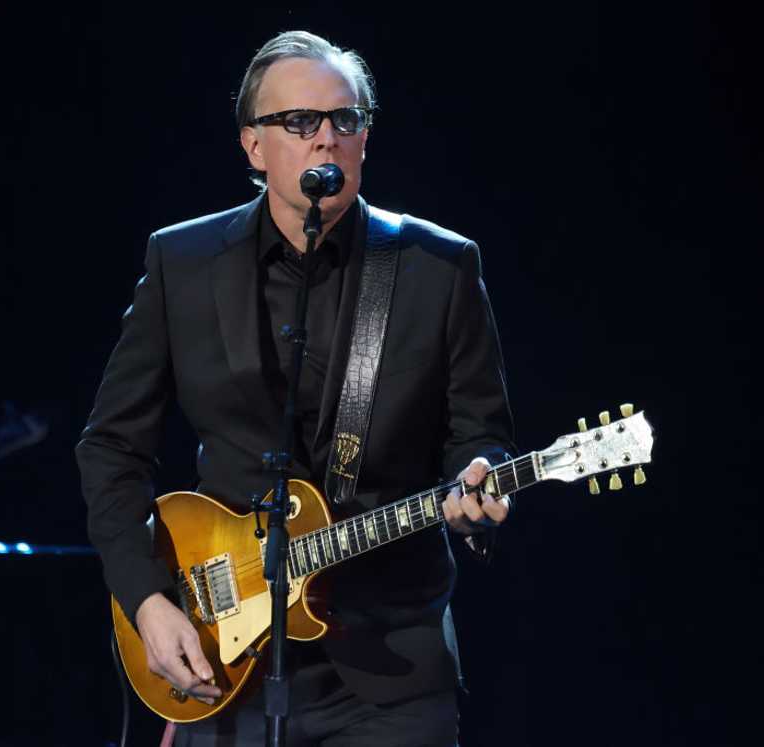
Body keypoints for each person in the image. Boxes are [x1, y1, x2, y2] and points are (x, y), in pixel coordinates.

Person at [76, 30, 515, 746]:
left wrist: (480, 484)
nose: (326, 140)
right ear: (254, 146)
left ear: (365, 139)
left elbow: (481, 436)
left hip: (390, 670)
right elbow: (110, 446)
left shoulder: (438, 267)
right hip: (227, 653)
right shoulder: (181, 261)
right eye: (300, 123)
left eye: (345, 120)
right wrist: (150, 600)